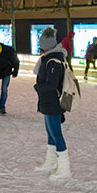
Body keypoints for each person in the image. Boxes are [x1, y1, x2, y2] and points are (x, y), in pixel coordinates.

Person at [33, 27, 73, 180]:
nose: (40, 47)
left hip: (53, 103)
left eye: (42, 44)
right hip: (48, 102)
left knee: (56, 134)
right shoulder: (49, 58)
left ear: (47, 45)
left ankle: (64, 168)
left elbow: (51, 84)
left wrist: (36, 87)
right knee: (50, 134)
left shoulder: (53, 61)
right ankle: (51, 162)